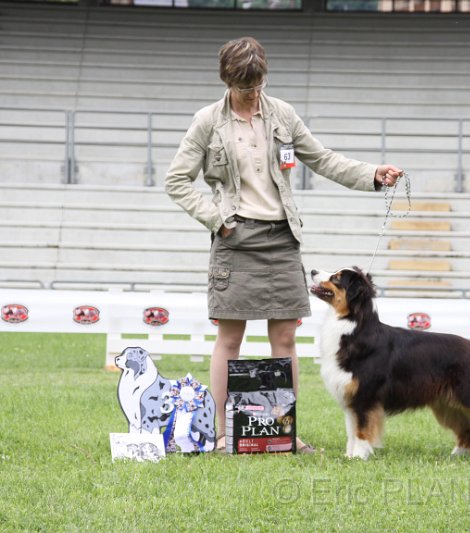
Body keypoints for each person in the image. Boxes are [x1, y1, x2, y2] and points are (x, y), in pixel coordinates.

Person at [165, 36, 402, 453]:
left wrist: (371, 175)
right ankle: (223, 435)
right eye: (243, 86)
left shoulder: (282, 115)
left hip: (281, 239)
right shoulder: (207, 121)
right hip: (234, 238)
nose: (251, 93)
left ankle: (283, 432)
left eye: (256, 84)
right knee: (230, 341)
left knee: (286, 341)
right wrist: (216, 220)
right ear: (227, 80)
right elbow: (176, 180)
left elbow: (323, 158)